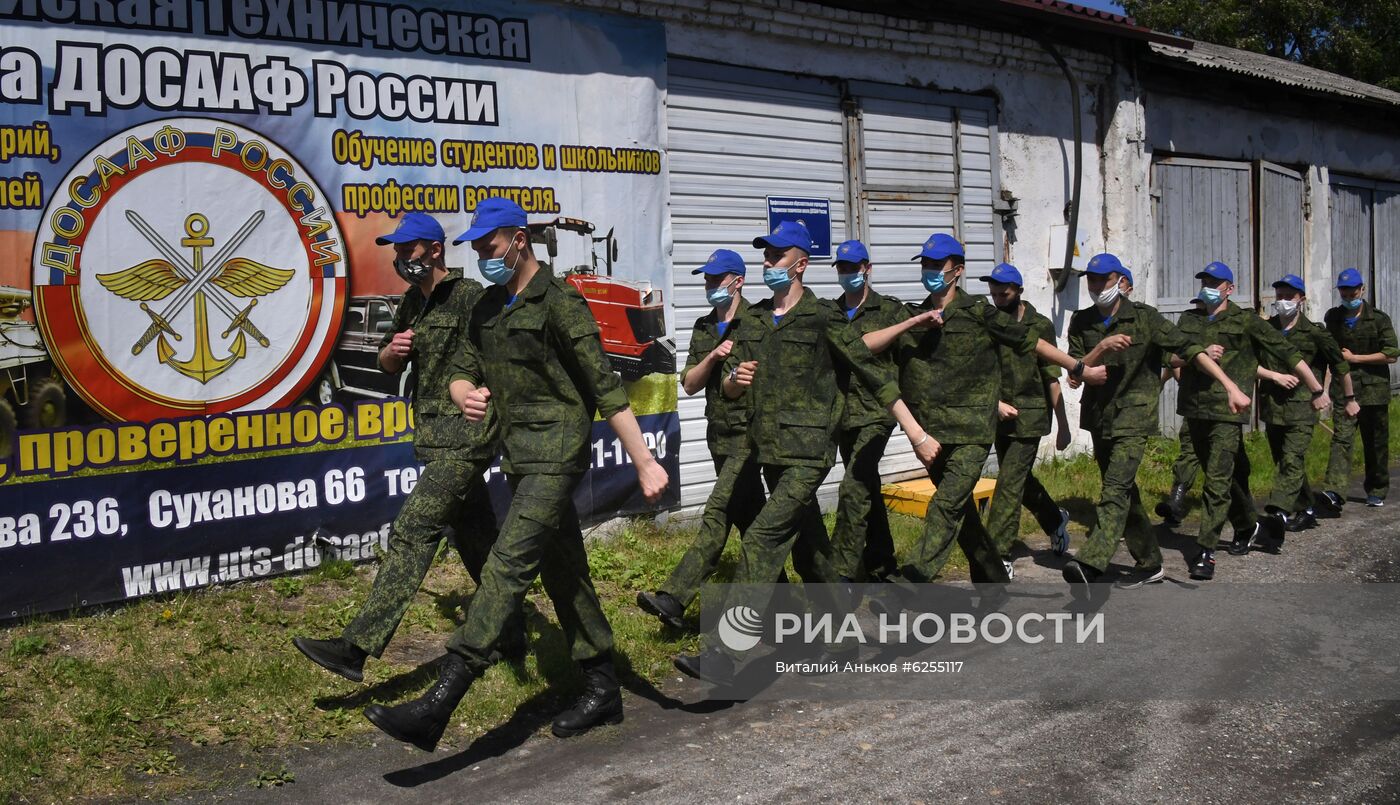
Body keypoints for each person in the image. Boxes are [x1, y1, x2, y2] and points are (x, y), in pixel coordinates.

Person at [363, 198, 669, 749]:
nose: (482, 253)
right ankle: (603, 687)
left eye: (489, 244)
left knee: (507, 565)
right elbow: (460, 367)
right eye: (477, 246)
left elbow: (605, 388)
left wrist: (644, 461)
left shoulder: (560, 304)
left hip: (557, 455)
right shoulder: (489, 309)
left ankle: (440, 704)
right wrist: (465, 394)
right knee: (564, 571)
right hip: (520, 457)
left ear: (518, 240)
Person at [672, 221, 931, 685]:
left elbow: (873, 375)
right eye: (765, 256)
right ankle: (844, 638)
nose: (768, 263)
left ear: (800, 264)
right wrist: (734, 381)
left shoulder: (823, 317)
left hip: (809, 453)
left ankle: (723, 654)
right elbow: (728, 388)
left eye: (776, 256)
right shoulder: (752, 320)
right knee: (813, 552)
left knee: (761, 537)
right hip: (765, 449)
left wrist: (915, 432)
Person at [292, 212, 516, 683]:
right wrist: (390, 355)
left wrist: (484, 397)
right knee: (476, 540)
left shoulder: (472, 298)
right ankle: (510, 634)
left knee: (412, 531)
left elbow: (497, 359)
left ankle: (356, 647)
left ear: (434, 250)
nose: (400, 259)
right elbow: (387, 362)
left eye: (408, 249)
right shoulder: (413, 303)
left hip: (466, 436)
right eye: (396, 251)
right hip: (434, 436)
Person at [861, 235, 1106, 587]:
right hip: (931, 435)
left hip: (972, 433)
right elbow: (865, 347)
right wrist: (913, 323)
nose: (929, 272)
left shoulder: (979, 313)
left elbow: (1032, 343)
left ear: (956, 271)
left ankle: (913, 579)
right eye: (925, 265)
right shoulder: (911, 315)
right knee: (962, 514)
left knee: (945, 505)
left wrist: (1079, 368)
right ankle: (992, 579)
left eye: (937, 266)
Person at [1061, 254, 1250, 587]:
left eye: (1102, 280)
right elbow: (1077, 373)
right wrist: (1102, 347)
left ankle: (1091, 561)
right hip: (1099, 416)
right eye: (1090, 279)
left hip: (1134, 417)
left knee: (1115, 490)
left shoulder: (1145, 318)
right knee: (1124, 493)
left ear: (1119, 281)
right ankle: (1150, 563)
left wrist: (1230, 385)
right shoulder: (1082, 320)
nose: (1095, 286)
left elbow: (1191, 351)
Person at [637, 249, 764, 628]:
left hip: (750, 435)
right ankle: (784, 600)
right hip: (719, 437)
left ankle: (675, 598)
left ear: (737, 281)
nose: (710, 286)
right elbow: (690, 384)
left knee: (717, 514)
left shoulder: (758, 323)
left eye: (716, 279)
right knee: (754, 522)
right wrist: (712, 357)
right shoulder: (704, 326)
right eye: (706, 279)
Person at [1175, 261, 1327, 575]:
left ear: (1229, 288)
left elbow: (1286, 351)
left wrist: (1315, 388)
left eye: (1215, 283)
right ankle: (1248, 525)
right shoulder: (1189, 320)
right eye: (1204, 281)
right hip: (1194, 409)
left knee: (1216, 481)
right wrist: (1199, 351)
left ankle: (1205, 552)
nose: (1208, 288)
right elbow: (1169, 355)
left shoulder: (1245, 321)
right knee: (1227, 477)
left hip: (1229, 412)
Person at [978, 262, 1072, 577]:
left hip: (1030, 417)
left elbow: (1051, 377)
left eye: (1003, 293)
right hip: (999, 414)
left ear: (1018, 291)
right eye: (992, 293)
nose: (997, 298)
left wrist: (1063, 425)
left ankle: (999, 554)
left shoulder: (1040, 326)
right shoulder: (990, 323)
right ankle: (1054, 519)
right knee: (1018, 480)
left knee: (1008, 483)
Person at [1253, 274, 1357, 542]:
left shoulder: (1314, 333)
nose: (1284, 301)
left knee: (1292, 459)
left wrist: (1349, 398)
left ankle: (1277, 512)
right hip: (1273, 406)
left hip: (1302, 407)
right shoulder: (1266, 329)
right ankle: (1307, 507)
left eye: (1289, 296)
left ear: (1301, 299)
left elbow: (1340, 365)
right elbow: (1250, 361)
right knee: (1284, 461)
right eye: (1280, 296)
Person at [828, 239, 909, 582]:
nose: (847, 274)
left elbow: (911, 358)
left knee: (854, 485)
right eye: (842, 268)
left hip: (878, 412)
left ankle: (841, 572)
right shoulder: (830, 312)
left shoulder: (890, 311)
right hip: (843, 413)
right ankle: (881, 562)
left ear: (867, 269)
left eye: (852, 267)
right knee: (867, 485)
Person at [1322, 267, 1399, 509]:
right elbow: (1329, 355)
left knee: (1375, 442)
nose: (1348, 295)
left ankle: (1377, 488)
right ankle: (1334, 491)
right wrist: (1323, 389)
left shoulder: (1378, 318)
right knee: (1342, 440)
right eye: (1343, 290)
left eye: (1352, 290)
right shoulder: (1333, 317)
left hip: (1374, 391)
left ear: (1362, 289)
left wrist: (1356, 358)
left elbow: (1391, 354)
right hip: (1344, 390)